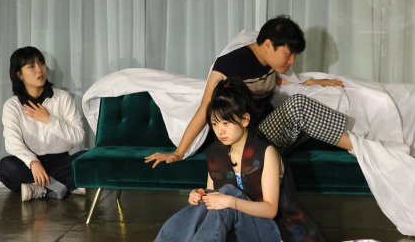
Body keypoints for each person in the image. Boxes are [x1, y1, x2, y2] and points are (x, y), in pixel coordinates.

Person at [152, 77, 323, 242]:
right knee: (213, 197)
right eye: (215, 124)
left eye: (226, 123)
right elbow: (214, 201)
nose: (220, 131)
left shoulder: (266, 152)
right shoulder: (215, 153)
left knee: (227, 194)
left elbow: (270, 210)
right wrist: (200, 196)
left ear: (244, 120)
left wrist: (230, 201)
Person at [145, 15, 352, 167]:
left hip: (267, 135)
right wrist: (179, 152)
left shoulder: (270, 63)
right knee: (298, 104)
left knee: (320, 104)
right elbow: (206, 106)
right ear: (268, 45)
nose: (292, 61)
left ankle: (357, 140)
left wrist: (311, 82)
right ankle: (356, 147)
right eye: (288, 55)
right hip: (246, 141)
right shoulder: (230, 64)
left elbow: (275, 80)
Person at [0, 46, 86, 201]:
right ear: (19, 75)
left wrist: (49, 120)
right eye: (31, 66)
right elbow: (13, 143)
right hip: (29, 165)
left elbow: (78, 136)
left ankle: (39, 189)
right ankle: (62, 186)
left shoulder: (62, 98)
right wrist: (33, 162)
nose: (39, 69)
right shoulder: (12, 106)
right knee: (6, 167)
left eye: (42, 63)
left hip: (61, 162)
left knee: (87, 158)